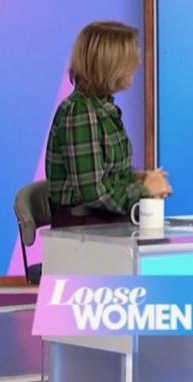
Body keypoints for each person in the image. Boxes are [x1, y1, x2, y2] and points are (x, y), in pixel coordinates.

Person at [46, 21, 171, 228]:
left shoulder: (103, 108)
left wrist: (143, 178)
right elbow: (93, 193)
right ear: (110, 63)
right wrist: (144, 190)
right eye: (131, 57)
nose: (139, 62)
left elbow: (111, 175)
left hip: (105, 224)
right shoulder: (80, 111)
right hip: (83, 230)